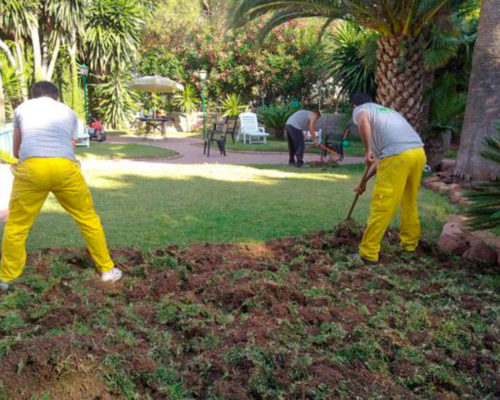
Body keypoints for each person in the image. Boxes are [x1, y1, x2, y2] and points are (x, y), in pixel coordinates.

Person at [0, 81, 122, 290]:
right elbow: (70, 147)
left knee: (17, 225)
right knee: (88, 219)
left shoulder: (22, 109)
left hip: (31, 169)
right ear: (56, 96)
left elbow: (17, 152)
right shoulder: (68, 112)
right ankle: (107, 270)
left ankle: (7, 279)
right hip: (65, 168)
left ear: (33, 95)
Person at [351, 93, 426, 265]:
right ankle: (410, 245)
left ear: (354, 106)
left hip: (397, 156)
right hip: (417, 153)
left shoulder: (361, 110)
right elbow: (379, 161)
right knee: (409, 201)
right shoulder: (385, 112)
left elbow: (362, 120)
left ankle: (368, 254)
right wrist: (362, 184)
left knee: (383, 204)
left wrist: (366, 150)